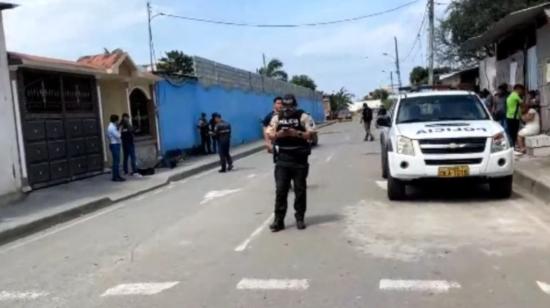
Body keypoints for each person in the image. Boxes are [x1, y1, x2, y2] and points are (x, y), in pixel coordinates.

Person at [267, 94, 315, 232]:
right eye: (285, 106)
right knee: (281, 191)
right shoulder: (277, 118)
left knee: (300, 190)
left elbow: (311, 133)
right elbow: (270, 133)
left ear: (295, 105)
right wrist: (279, 135)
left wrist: (297, 134)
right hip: (283, 158)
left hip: (299, 159)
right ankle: (278, 221)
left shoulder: (303, 116)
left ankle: (300, 218)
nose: (287, 109)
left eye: (290, 106)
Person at [506, 84, 525, 148]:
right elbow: (523, 105)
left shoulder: (510, 96)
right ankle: (513, 147)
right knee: (514, 133)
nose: (522, 92)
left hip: (509, 116)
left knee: (511, 133)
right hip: (514, 117)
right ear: (518, 89)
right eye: (522, 90)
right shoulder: (516, 96)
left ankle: (512, 147)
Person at [107, 114, 125, 182]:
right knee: (116, 162)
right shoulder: (111, 127)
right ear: (115, 120)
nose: (118, 122)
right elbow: (118, 136)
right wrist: (120, 129)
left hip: (114, 144)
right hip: (114, 145)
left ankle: (117, 176)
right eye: (117, 120)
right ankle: (115, 177)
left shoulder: (112, 126)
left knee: (116, 161)